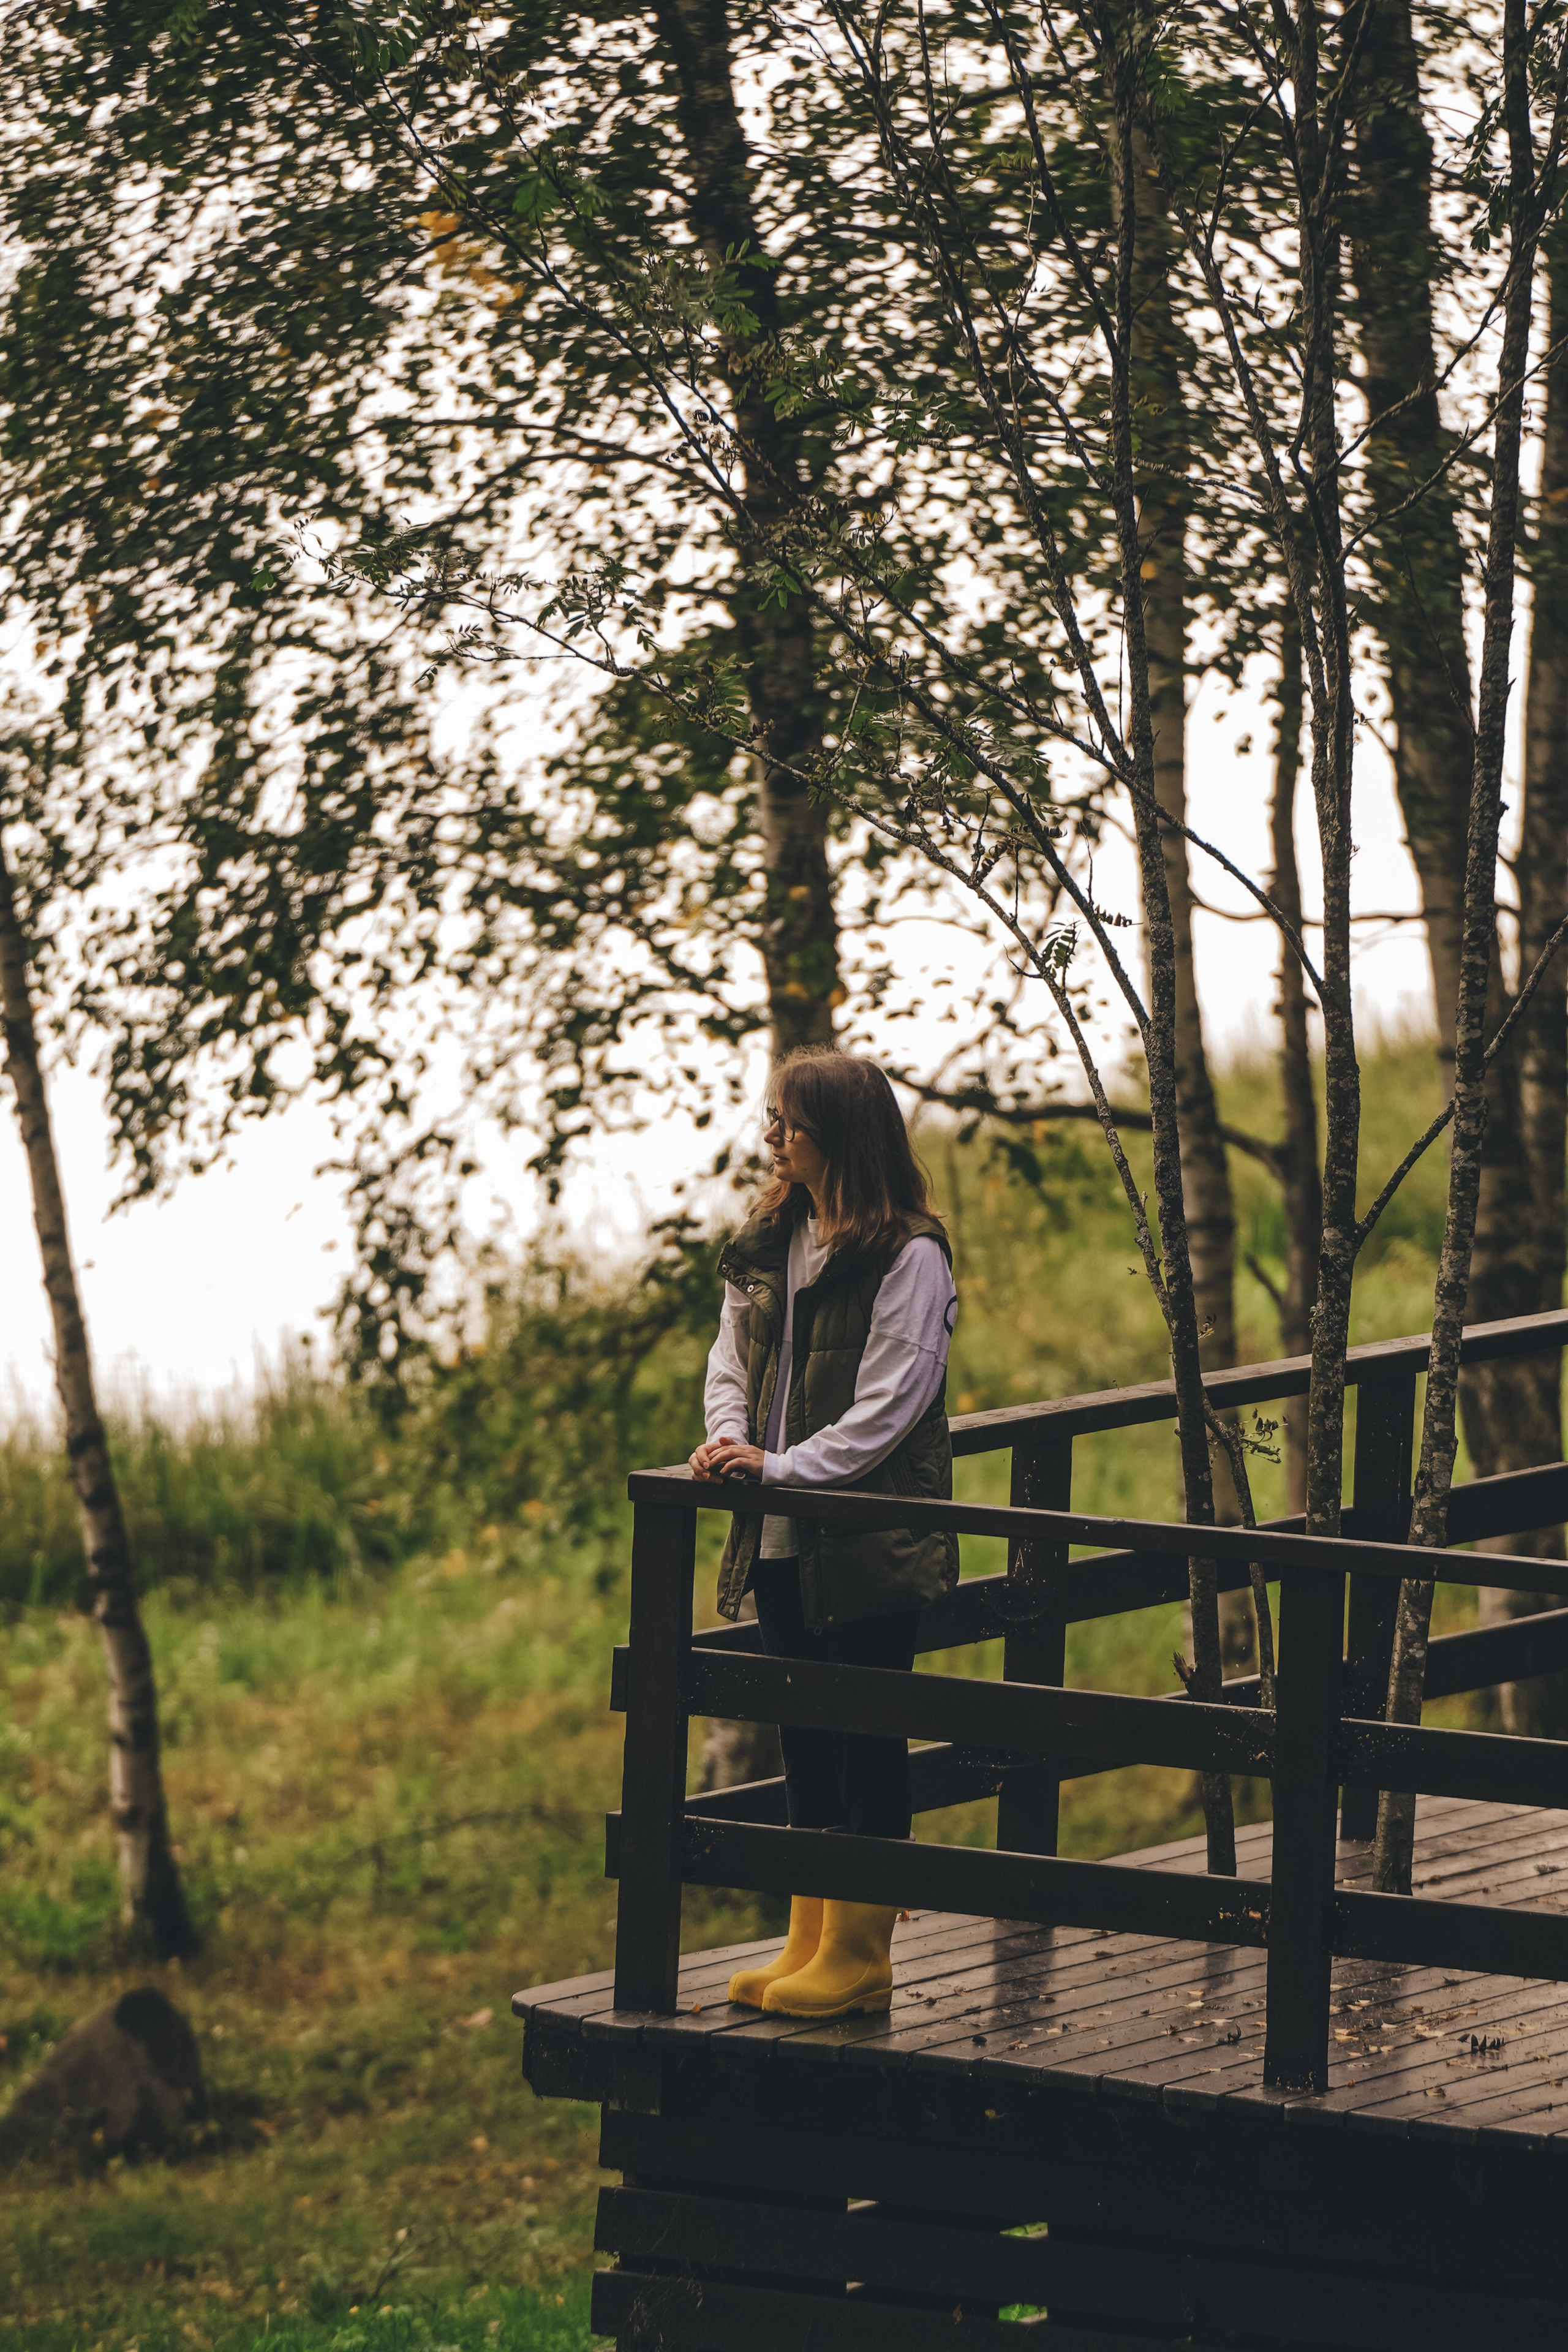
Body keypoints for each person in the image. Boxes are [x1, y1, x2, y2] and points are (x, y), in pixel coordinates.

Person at [691, 1047, 959, 2019]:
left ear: (837, 1137)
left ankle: (860, 1956)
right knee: (804, 1736)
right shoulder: (770, 1237)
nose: (771, 1138)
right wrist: (730, 1438)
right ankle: (809, 1941)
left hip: (868, 1536)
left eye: (788, 1124)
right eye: (771, 1120)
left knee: (866, 1739)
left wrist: (779, 1468)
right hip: (781, 1531)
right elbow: (730, 1355)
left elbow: (890, 1408)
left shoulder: (909, 1256)